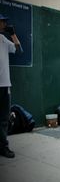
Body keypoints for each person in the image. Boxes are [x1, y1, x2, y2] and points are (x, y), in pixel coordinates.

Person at [0, 14, 22, 158]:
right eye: (2, 21)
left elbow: (18, 49)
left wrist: (13, 34)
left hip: (4, 85)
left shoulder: (3, 39)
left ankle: (3, 147)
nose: (4, 24)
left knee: (3, 119)